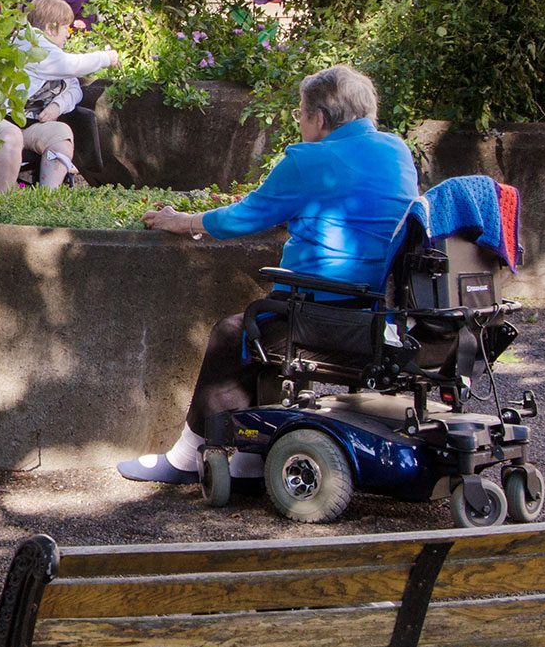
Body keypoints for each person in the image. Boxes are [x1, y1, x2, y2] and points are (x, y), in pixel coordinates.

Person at [118, 65, 418, 484]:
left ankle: (187, 457)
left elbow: (246, 217)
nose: (298, 122)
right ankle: (249, 458)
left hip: (320, 305)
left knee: (236, 334)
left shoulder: (309, 160)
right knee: (262, 330)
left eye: (300, 113)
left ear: (321, 118)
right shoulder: (396, 151)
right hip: (371, 308)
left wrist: (181, 220)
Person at [0, 0, 120, 190]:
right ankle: (0, 200)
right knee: (12, 136)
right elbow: (74, 65)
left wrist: (58, 105)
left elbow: (74, 88)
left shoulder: (53, 53)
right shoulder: (30, 46)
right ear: (50, 28)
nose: (68, 33)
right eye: (65, 27)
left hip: (30, 125)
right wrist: (107, 57)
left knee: (61, 134)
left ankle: (47, 196)